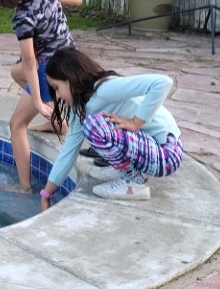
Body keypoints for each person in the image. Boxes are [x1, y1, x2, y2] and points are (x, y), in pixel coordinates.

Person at [0, 0, 82, 191]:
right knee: (15, 72)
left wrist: (37, 99)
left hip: (50, 69)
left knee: (17, 125)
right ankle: (57, 121)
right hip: (71, 58)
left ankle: (24, 186)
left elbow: (30, 61)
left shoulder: (23, 17)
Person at [37, 48, 183, 206]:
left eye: (57, 88)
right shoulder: (81, 108)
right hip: (150, 149)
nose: (57, 96)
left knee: (94, 127)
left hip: (167, 154)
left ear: (70, 77)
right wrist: (46, 194)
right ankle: (124, 170)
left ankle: (134, 183)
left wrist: (135, 122)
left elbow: (162, 83)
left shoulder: (104, 89)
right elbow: (68, 151)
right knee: (93, 126)